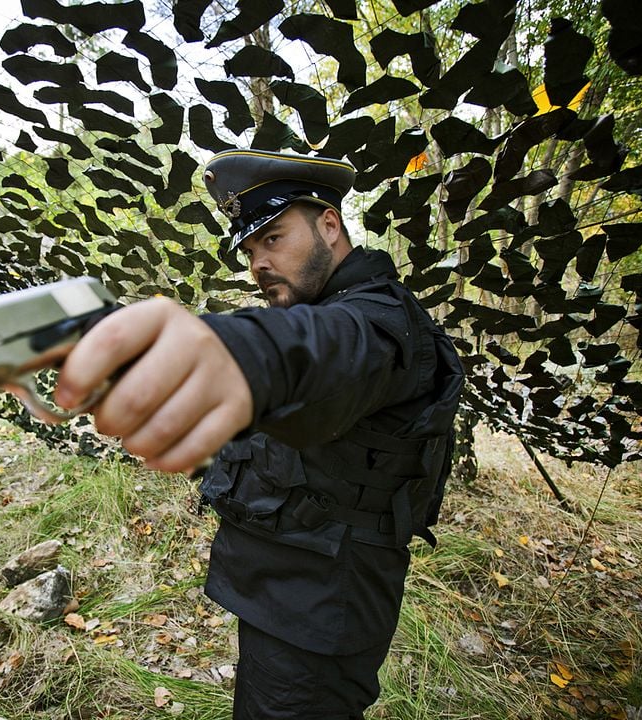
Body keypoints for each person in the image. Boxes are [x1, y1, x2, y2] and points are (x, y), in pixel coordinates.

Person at [55, 149, 464, 719]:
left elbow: (313, 351)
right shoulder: (332, 305)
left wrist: (221, 351)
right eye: (249, 249)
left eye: (272, 238)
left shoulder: (378, 322)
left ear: (329, 224)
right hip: (284, 588)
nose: (258, 263)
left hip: (321, 609)